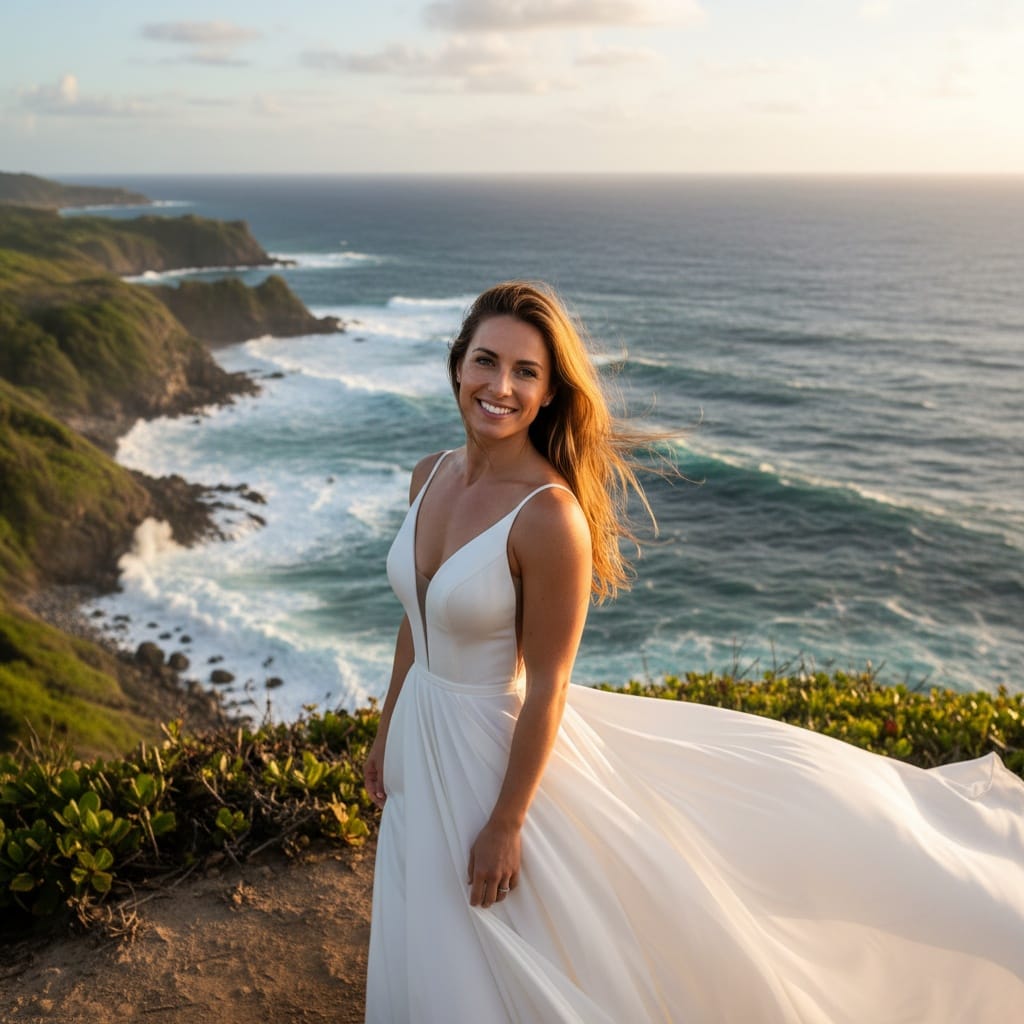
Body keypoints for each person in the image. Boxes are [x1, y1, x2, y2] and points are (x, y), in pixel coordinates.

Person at [362, 281, 1024, 1023]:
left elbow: (549, 687)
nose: (501, 387)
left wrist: (507, 822)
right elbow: (416, 622)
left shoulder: (548, 517)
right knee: (429, 918)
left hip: (492, 760)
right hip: (422, 735)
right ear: (459, 364)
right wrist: (388, 730)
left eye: (526, 373)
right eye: (487, 361)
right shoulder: (429, 474)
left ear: (548, 395)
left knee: (498, 941)